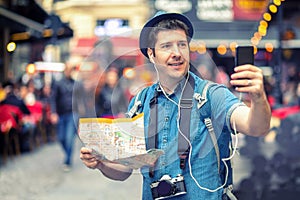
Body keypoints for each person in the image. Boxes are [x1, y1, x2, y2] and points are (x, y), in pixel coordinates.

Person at [80, 12, 271, 199]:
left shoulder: (211, 95)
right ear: (151, 54)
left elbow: (256, 127)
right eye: (166, 46)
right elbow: (125, 169)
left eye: (182, 45)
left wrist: (259, 97)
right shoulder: (141, 102)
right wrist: (101, 164)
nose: (177, 54)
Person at [50, 65, 82, 171]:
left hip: (72, 114)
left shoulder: (76, 84)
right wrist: (53, 112)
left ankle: (67, 160)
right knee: (61, 138)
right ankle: (67, 152)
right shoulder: (58, 83)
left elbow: (80, 98)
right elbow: (53, 98)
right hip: (61, 114)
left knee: (69, 138)